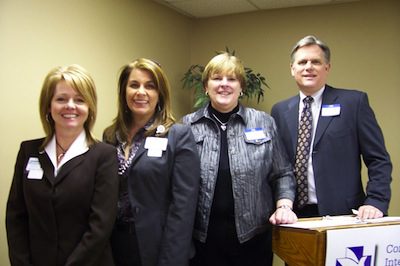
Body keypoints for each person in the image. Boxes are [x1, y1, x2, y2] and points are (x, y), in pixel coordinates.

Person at [182, 52, 297, 266]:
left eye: (231, 79)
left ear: (241, 87)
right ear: (206, 86)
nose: (224, 84)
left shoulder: (264, 122)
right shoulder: (186, 127)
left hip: (253, 239)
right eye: (217, 78)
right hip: (202, 240)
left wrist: (284, 206)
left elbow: (283, 173)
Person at [6, 64, 119, 265]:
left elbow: (100, 227)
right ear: (48, 106)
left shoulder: (104, 156)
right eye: (61, 99)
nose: (70, 106)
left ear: (89, 107)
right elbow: (16, 217)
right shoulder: (28, 151)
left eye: (79, 100)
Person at [271, 35, 392, 219]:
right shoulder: (280, 111)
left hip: (343, 213)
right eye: (302, 62)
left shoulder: (353, 103)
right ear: (292, 69)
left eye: (316, 62)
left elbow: (378, 159)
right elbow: (279, 167)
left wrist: (376, 201)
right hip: (293, 215)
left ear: (327, 67)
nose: (308, 67)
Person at [103, 58, 200, 266]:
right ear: (124, 91)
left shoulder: (178, 135)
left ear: (160, 94)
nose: (141, 92)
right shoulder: (111, 135)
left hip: (157, 247)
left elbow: (183, 208)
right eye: (134, 85)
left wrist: (171, 259)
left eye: (150, 86)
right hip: (114, 245)